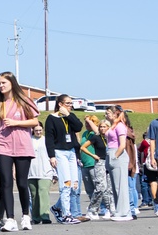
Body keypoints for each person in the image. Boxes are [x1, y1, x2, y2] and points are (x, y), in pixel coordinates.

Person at [0, 71, 40, 232]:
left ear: (12, 83)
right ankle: (10, 219)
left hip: (23, 146)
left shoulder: (24, 101)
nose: (1, 85)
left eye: (4, 82)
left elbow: (35, 121)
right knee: (5, 182)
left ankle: (25, 216)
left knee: (22, 183)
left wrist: (16, 122)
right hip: (4, 146)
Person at [44, 94, 84, 225]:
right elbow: (49, 139)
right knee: (66, 184)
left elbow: (78, 126)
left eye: (71, 103)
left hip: (72, 152)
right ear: (60, 104)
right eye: (67, 103)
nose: (70, 106)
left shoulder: (70, 117)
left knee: (74, 185)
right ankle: (66, 214)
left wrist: (67, 114)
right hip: (59, 152)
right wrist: (52, 156)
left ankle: (57, 208)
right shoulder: (51, 118)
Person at [80, 115, 113, 220]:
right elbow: (83, 147)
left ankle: (110, 209)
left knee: (109, 188)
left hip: (110, 162)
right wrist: (93, 155)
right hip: (100, 162)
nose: (102, 129)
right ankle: (92, 209)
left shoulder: (110, 137)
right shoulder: (96, 137)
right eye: (101, 127)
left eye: (104, 127)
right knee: (100, 187)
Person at [104, 106, 132, 222]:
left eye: (108, 113)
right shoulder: (112, 126)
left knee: (120, 185)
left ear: (115, 113)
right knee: (115, 186)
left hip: (118, 155)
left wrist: (115, 156)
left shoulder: (120, 126)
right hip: (110, 153)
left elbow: (122, 144)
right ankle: (119, 210)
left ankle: (124, 212)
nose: (106, 115)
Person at [27, 123, 55, 225]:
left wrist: (54, 172)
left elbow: (52, 156)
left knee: (43, 192)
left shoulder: (47, 140)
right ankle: (36, 217)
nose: (38, 132)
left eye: (40, 130)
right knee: (34, 195)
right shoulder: (29, 140)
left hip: (45, 170)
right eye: (36, 130)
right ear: (33, 130)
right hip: (31, 170)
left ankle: (45, 215)